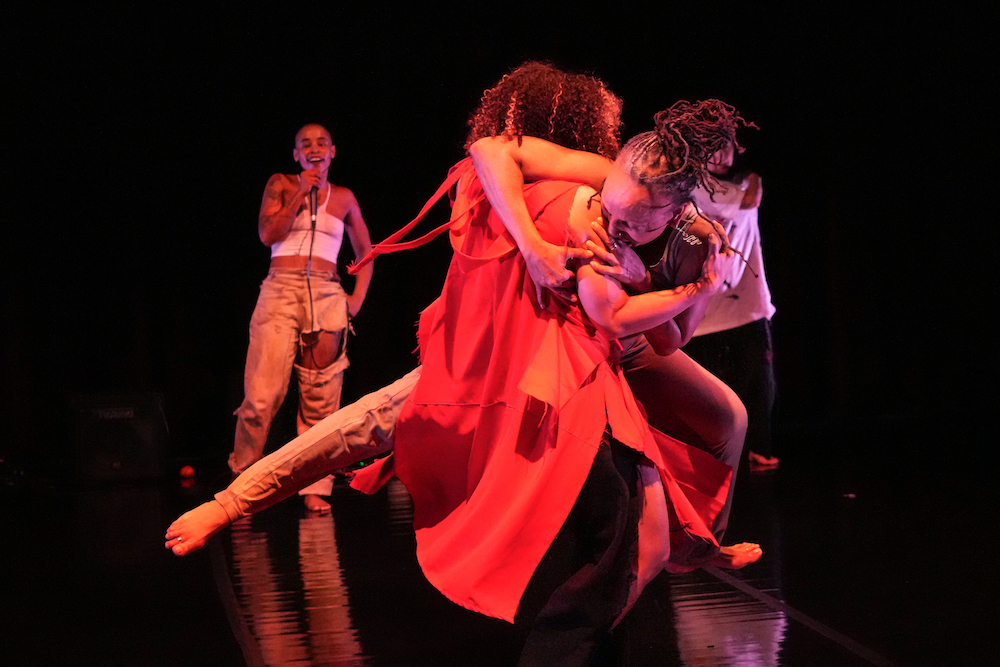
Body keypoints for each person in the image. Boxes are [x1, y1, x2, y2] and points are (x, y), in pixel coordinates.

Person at [229, 123, 374, 513]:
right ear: (296, 154)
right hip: (280, 290)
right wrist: (298, 195)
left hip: (326, 293)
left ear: (332, 152)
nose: (313, 148)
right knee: (262, 397)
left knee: (320, 400)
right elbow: (267, 235)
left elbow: (366, 251)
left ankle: (315, 487)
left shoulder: (343, 198)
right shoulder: (281, 183)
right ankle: (241, 478)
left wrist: (355, 298)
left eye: (321, 143)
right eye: (305, 144)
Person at [682, 142, 779, 471]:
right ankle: (707, 454)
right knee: (706, 388)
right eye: (712, 148)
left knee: (760, 381)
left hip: (748, 299)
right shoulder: (694, 186)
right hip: (704, 302)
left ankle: (760, 450)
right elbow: (749, 200)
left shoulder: (736, 183)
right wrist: (753, 179)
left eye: (727, 148)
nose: (721, 157)